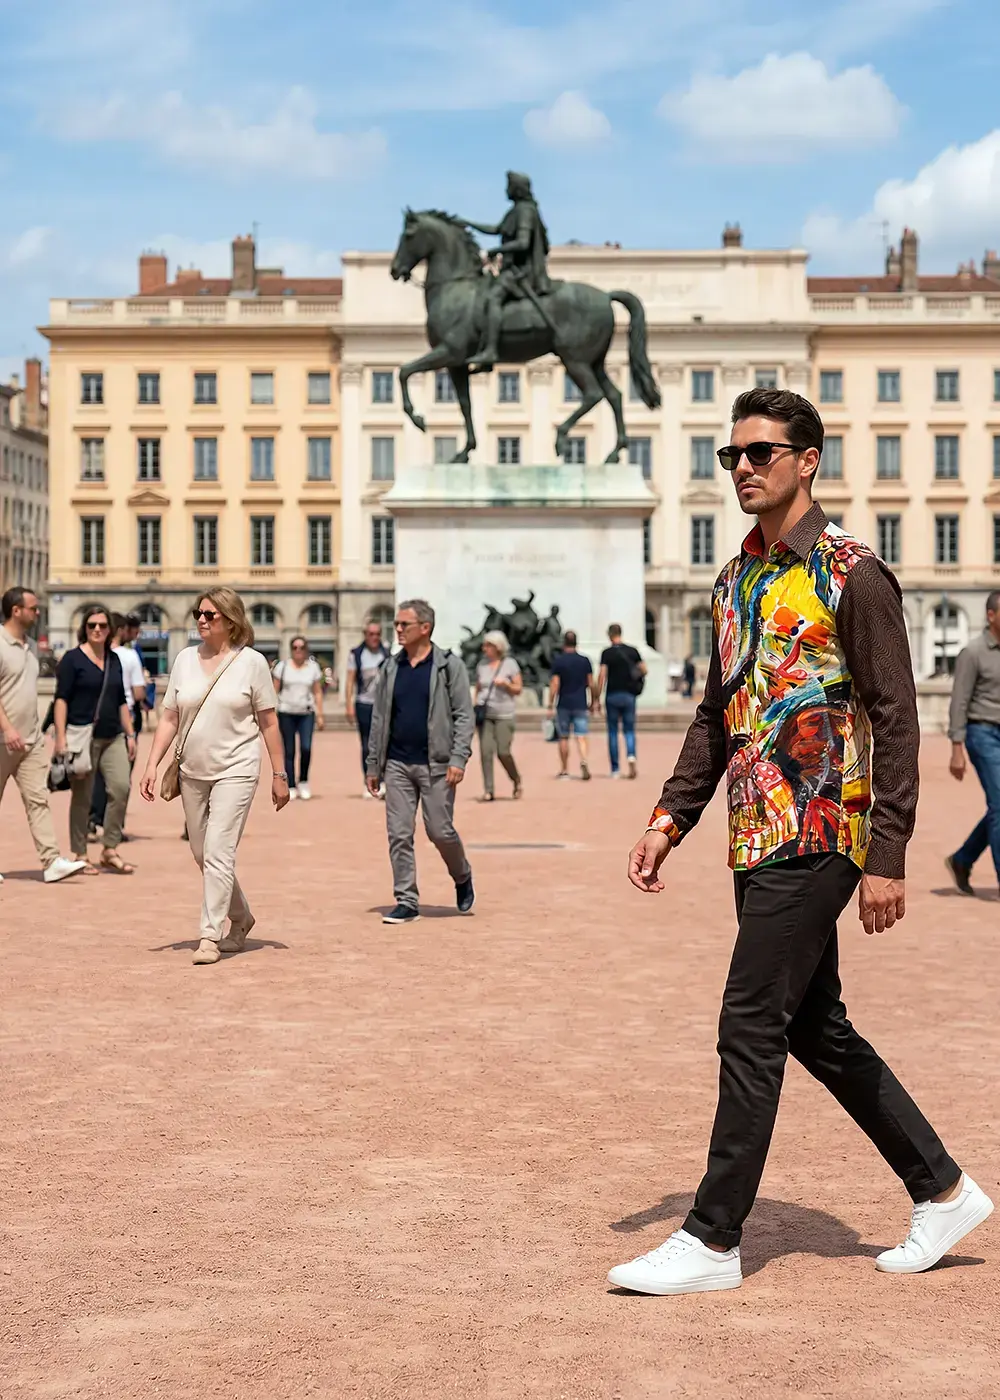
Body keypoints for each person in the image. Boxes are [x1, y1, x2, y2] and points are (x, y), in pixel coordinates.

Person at [609, 387, 992, 1297]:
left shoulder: (851, 572)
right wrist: (669, 819)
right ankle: (943, 1190)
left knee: (749, 1021)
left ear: (807, 460)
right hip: (755, 833)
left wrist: (888, 855)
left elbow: (897, 718)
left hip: (822, 829)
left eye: (761, 453)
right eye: (731, 456)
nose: (743, 468)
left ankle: (712, 1238)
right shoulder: (734, 579)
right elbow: (716, 716)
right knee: (816, 1027)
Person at [139, 588, 289, 965]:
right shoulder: (185, 659)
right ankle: (242, 917)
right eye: (198, 614)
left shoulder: (252, 662)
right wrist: (151, 764)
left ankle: (210, 935)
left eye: (210, 614)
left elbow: (269, 722)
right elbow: (169, 717)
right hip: (191, 770)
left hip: (237, 769)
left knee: (219, 852)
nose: (202, 620)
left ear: (231, 619)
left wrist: (280, 773)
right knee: (201, 853)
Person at [366, 599, 475, 924]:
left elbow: (464, 715)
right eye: (396, 624)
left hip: (437, 764)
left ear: (425, 628)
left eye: (404, 624)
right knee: (399, 833)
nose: (398, 629)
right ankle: (406, 900)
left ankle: (462, 873)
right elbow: (379, 718)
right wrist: (373, 764)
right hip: (397, 763)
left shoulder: (448, 666)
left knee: (440, 831)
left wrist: (458, 757)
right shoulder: (391, 667)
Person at [0, 587, 86, 884]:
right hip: (3, 739)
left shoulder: (32, 646)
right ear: (16, 611)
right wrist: (7, 728)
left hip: (30, 741)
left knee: (38, 800)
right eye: (33, 608)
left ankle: (51, 862)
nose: (38, 613)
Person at [54, 604, 137, 875]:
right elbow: (61, 699)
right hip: (83, 737)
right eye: (92, 625)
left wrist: (130, 734)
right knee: (83, 797)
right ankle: (80, 853)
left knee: (121, 788)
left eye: (102, 625)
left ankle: (109, 848)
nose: (97, 630)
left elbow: (121, 699)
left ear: (110, 629)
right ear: (85, 629)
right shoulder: (72, 659)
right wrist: (60, 738)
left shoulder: (114, 660)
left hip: (113, 736)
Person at [460, 170, 551, 372]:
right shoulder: (516, 210)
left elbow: (523, 243)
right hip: (512, 269)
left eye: (509, 186)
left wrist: (496, 250)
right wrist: (469, 224)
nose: (505, 190)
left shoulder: (525, 211)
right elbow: (496, 229)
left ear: (516, 189)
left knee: (492, 298)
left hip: (522, 272)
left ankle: (491, 350)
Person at [944, 592, 1000, 896]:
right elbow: (959, 701)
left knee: (998, 807)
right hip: (982, 732)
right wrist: (957, 748)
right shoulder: (973, 652)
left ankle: (963, 859)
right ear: (991, 615)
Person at [89, 613, 145, 839]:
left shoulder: (94, 655)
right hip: (125, 716)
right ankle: (114, 826)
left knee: (96, 774)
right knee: (121, 777)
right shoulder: (129, 656)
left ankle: (93, 819)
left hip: (96, 717)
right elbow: (137, 692)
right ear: (120, 630)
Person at [274, 636, 325, 801]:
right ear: (291, 650)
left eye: (301, 647)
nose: (298, 651)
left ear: (306, 650)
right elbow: (274, 691)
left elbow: (317, 692)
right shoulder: (282, 667)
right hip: (286, 712)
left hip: (306, 713)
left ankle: (303, 781)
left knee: (306, 748)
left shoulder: (313, 668)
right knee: (289, 750)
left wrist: (320, 714)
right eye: (295, 647)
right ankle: (291, 785)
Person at [474, 630, 523, 801]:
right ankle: (489, 790)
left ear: (498, 647)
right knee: (485, 752)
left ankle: (516, 779)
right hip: (485, 714)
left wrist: (506, 685)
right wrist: (475, 705)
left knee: (503, 752)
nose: (485, 649)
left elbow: (518, 688)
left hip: (504, 714)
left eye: (488, 645)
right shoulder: (482, 665)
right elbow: (479, 687)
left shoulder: (510, 664)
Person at [346, 621, 390, 798]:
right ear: (365, 635)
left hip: (383, 704)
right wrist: (348, 705)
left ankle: (383, 780)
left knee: (385, 743)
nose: (374, 637)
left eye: (377, 634)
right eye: (371, 634)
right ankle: (368, 781)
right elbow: (350, 681)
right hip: (364, 704)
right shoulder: (357, 654)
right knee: (367, 745)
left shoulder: (386, 653)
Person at [597, 624, 646, 779]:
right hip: (629, 694)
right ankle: (631, 755)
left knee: (612, 732)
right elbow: (644, 669)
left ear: (609, 635)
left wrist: (597, 697)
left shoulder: (607, 653)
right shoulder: (632, 651)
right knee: (629, 730)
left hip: (612, 694)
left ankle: (615, 769)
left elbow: (602, 675)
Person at [547, 630, 594, 780]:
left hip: (564, 703)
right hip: (580, 702)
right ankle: (584, 760)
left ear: (564, 643)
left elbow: (555, 684)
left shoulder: (559, 661)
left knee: (563, 737)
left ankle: (564, 769)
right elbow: (591, 683)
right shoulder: (585, 661)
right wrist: (594, 701)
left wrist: (550, 704)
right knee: (581, 735)